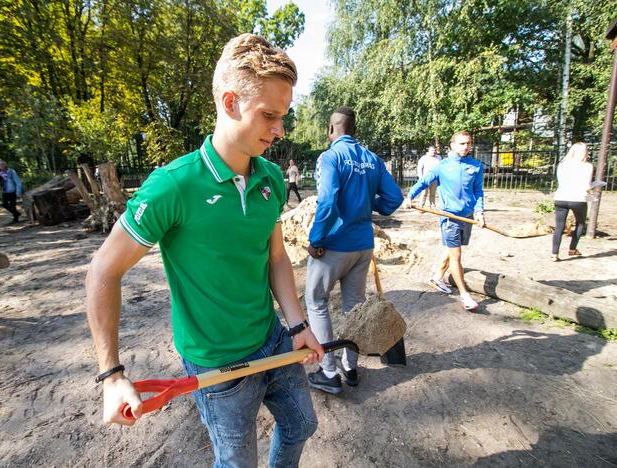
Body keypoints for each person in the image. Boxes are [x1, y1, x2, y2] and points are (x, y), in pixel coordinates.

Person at [85, 33, 323, 467]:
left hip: (274, 340)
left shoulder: (270, 177)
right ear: (230, 103)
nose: (280, 130)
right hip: (217, 366)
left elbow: (274, 257)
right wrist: (111, 376)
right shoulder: (173, 186)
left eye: (283, 116)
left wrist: (297, 324)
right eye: (269, 115)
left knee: (303, 426)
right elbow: (103, 270)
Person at [305, 107, 403, 395]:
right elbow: (393, 198)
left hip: (333, 244)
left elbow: (327, 199)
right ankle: (351, 368)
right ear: (354, 130)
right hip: (363, 245)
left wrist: (316, 238)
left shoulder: (330, 157)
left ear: (330, 130)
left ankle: (328, 372)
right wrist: (367, 204)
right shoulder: (373, 159)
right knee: (354, 307)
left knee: (316, 301)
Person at [405, 131, 485, 312]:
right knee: (456, 256)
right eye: (462, 143)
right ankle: (465, 296)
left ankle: (437, 277)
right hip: (450, 216)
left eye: (469, 143)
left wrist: (479, 212)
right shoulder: (443, 166)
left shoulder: (476, 166)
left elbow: (478, 191)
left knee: (451, 249)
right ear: (453, 145)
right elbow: (424, 181)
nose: (466, 147)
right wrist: (410, 196)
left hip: (468, 216)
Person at [551, 142, 593, 261]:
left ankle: (554, 253)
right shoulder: (587, 166)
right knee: (580, 223)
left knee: (559, 226)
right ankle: (572, 249)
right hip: (578, 198)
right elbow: (587, 185)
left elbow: (560, 181)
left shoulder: (563, 165)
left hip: (561, 197)